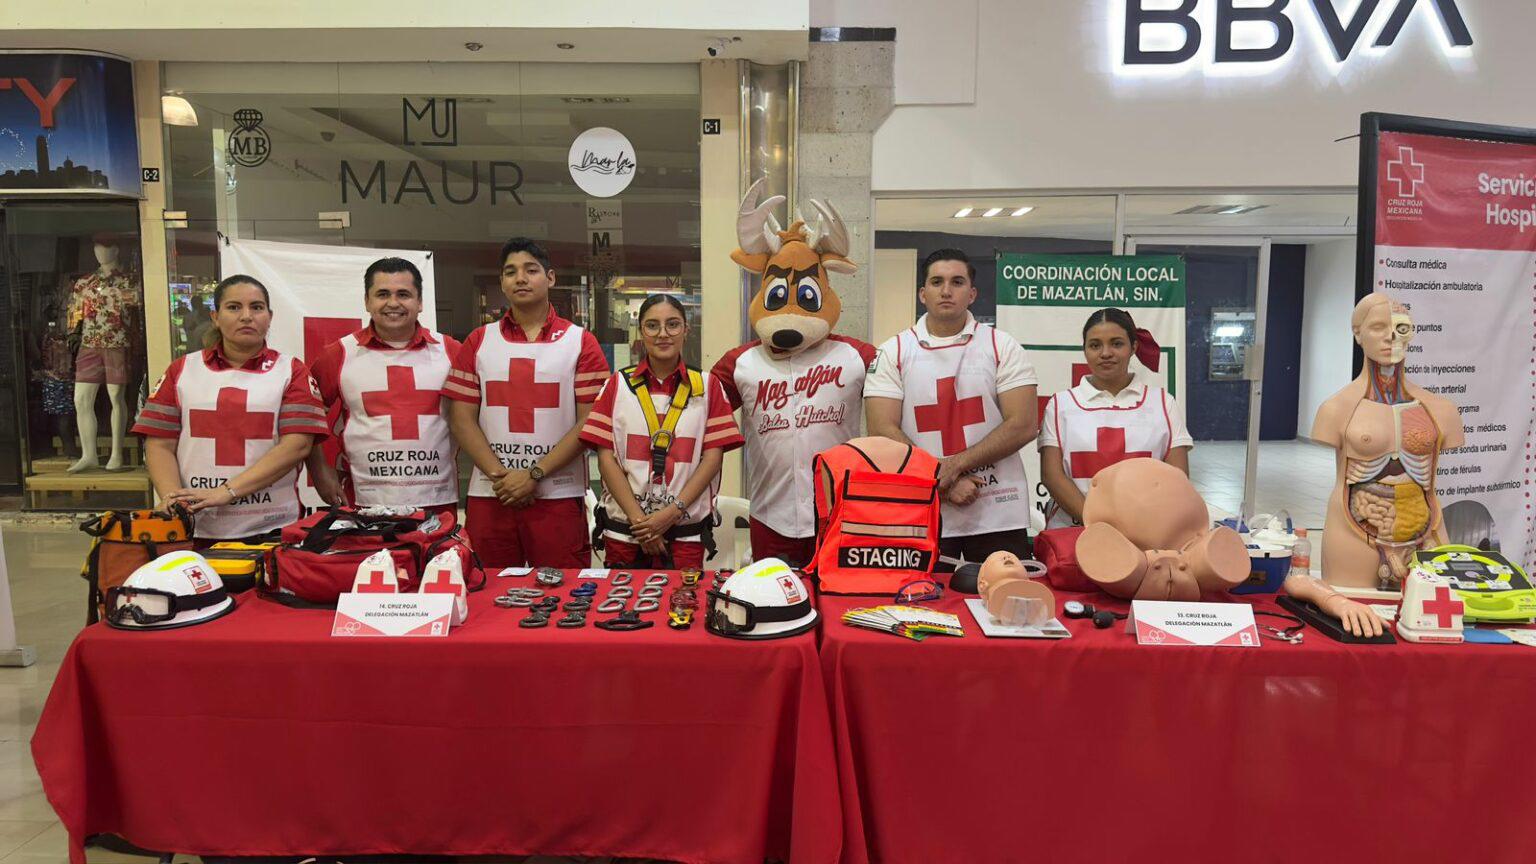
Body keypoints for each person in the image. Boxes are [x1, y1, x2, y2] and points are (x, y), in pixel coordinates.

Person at [864, 248, 1039, 566]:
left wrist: (952, 467)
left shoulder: (1002, 346)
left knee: (1004, 608)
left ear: (972, 294)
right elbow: (881, 429)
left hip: (997, 512)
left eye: (957, 282)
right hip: (921, 510)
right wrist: (944, 482)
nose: (946, 291)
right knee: (919, 608)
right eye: (937, 282)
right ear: (922, 293)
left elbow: (1024, 424)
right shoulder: (893, 351)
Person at [442, 238, 609, 569]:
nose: (520, 278)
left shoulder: (581, 342)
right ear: (502, 283)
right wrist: (503, 477)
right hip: (492, 494)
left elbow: (590, 423)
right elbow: (461, 418)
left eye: (530, 270)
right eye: (510, 272)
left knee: (562, 596)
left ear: (550, 278)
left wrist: (533, 474)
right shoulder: (479, 340)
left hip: (558, 496)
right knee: (489, 596)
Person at [132, 275, 328, 542]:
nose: (246, 316)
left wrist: (226, 492)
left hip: (272, 528)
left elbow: (297, 446)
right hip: (193, 527)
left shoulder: (292, 371)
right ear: (215, 316)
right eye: (234, 307)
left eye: (256, 307)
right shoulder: (181, 370)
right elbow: (159, 444)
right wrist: (173, 499)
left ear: (269, 316)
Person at [581, 295, 743, 568]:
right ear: (641, 331)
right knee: (621, 607)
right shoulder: (617, 385)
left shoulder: (708, 386)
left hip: (685, 534)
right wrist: (641, 522)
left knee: (683, 607)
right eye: (652, 326)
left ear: (686, 330)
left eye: (673, 324)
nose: (663, 334)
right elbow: (605, 459)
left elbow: (712, 459)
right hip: (625, 532)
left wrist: (669, 515)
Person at [307, 257, 461, 518]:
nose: (393, 303)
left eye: (404, 294)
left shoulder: (452, 352)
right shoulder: (339, 355)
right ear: (367, 302)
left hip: (437, 503)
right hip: (363, 502)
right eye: (382, 294)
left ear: (420, 302)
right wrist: (320, 472)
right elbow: (305, 419)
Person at [1038, 308, 1192, 529]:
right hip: (1075, 533)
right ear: (1085, 350)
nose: (1105, 353)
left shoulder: (1163, 403)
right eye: (1095, 345)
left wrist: (1134, 527)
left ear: (1134, 348)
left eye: (1117, 343)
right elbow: (1052, 476)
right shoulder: (1060, 405)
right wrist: (1099, 524)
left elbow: (1177, 478)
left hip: (1145, 533)